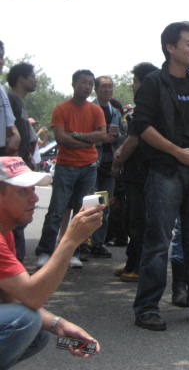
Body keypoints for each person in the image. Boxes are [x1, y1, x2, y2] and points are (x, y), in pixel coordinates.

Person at [131, 21, 189, 331]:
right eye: (188, 43)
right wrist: (175, 151)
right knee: (159, 241)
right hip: (165, 171)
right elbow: (142, 126)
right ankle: (147, 308)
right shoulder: (153, 83)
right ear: (170, 47)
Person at [0, 156, 101, 368]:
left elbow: (13, 296)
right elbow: (32, 296)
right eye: (23, 191)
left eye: (33, 190)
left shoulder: (5, 233)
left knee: (39, 331)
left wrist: (58, 325)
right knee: (25, 321)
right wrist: (70, 240)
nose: (34, 198)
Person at [35, 69, 113, 270]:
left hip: (89, 167)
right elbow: (61, 138)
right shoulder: (61, 109)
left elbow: (101, 135)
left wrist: (76, 136)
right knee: (56, 210)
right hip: (65, 165)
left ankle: (73, 252)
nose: (86, 87)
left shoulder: (95, 110)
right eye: (83, 82)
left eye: (90, 84)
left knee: (82, 212)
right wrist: (87, 141)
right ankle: (45, 251)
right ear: (73, 84)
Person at [111, 62, 159, 283]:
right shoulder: (161, 105)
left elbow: (133, 141)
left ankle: (136, 267)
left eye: (135, 81)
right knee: (142, 219)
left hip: (140, 172)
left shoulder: (143, 109)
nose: (133, 85)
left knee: (137, 219)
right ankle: (134, 261)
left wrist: (118, 158)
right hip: (151, 171)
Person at [89, 76, 126, 258]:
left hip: (109, 163)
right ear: (96, 89)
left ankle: (98, 242)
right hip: (91, 162)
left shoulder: (116, 113)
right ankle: (83, 243)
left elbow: (122, 138)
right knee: (89, 203)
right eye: (103, 87)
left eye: (110, 87)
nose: (107, 90)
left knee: (104, 204)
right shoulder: (89, 109)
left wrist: (117, 134)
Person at [6, 62, 38, 262]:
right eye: (32, 76)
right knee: (15, 215)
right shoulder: (10, 100)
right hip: (13, 166)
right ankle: (13, 263)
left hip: (22, 163)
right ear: (21, 78)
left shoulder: (19, 102)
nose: (35, 80)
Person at [0, 42, 20, 158]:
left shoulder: (2, 89)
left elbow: (10, 122)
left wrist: (15, 133)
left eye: (1, 56)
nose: (1, 61)